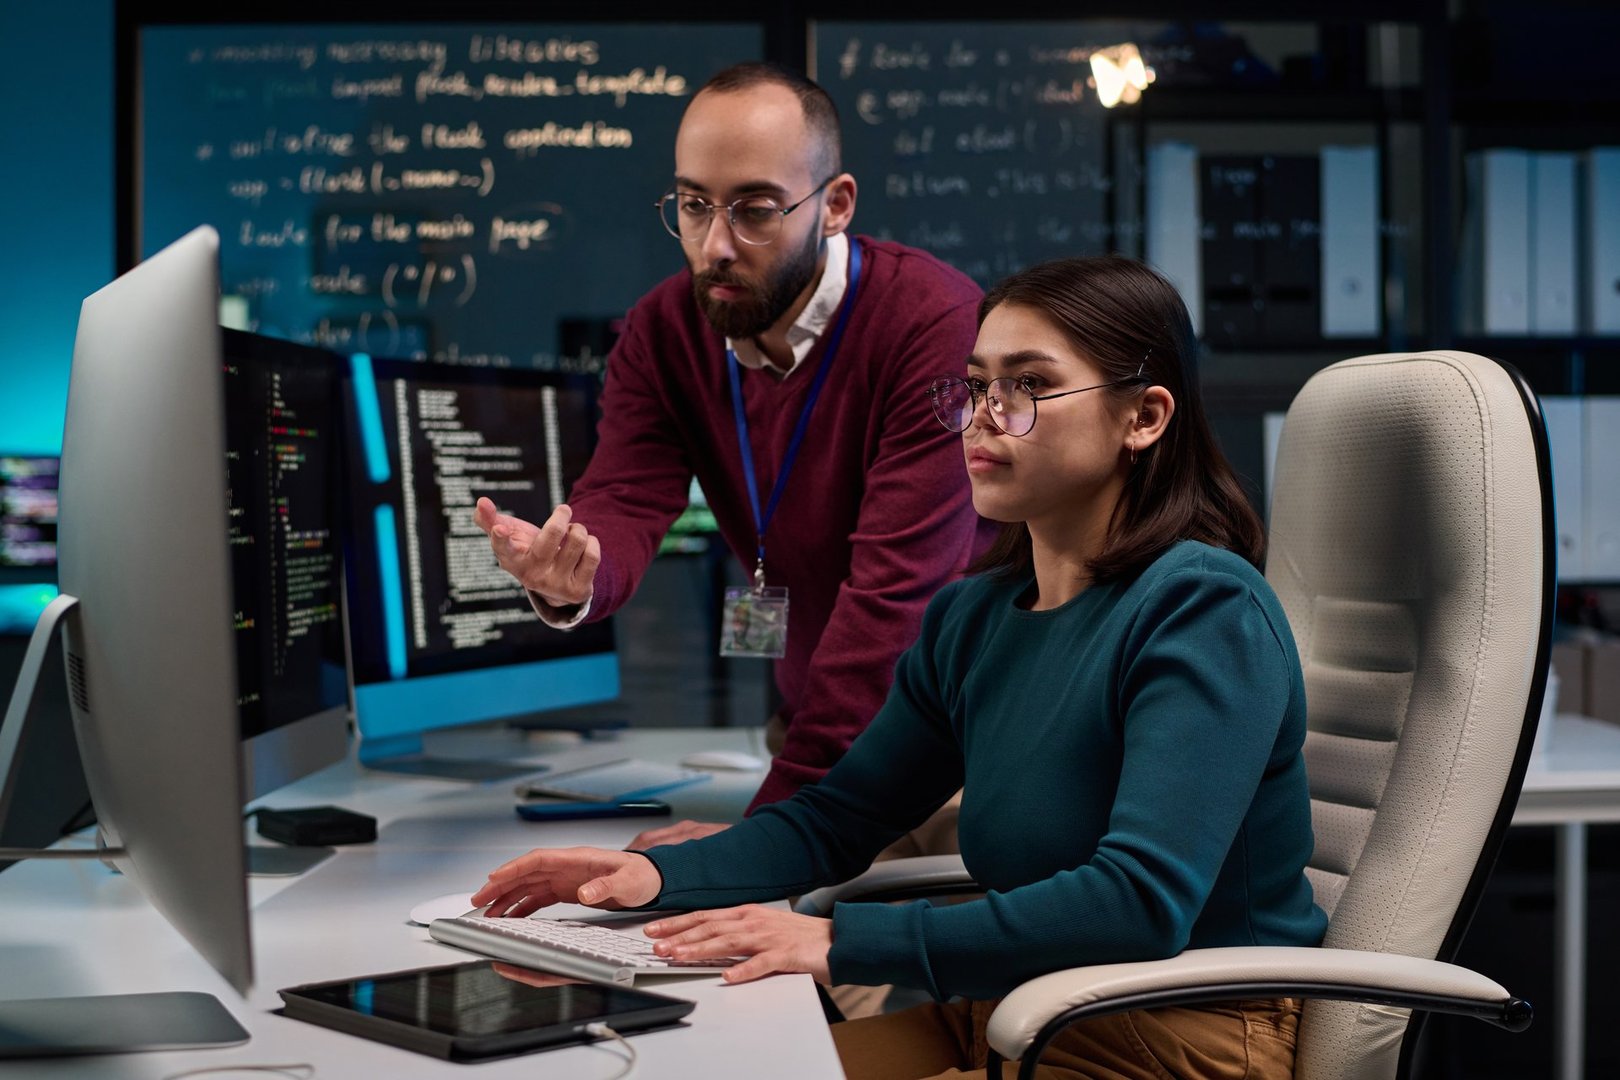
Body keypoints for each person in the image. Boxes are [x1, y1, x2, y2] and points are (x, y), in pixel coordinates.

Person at [470, 255, 1329, 1079]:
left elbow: (1139, 900)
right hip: (1013, 1011)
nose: (985, 414)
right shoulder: (975, 618)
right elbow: (839, 819)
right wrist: (654, 877)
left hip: (1179, 1040)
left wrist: (843, 943)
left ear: (1143, 418)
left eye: (1029, 385)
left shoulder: (1204, 611)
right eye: (977, 385)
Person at [473, 62, 984, 847]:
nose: (715, 246)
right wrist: (579, 572)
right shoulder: (663, 330)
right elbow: (628, 491)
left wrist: (757, 843)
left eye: (755, 210)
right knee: (726, 957)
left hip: (954, 746)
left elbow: (896, 607)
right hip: (818, 734)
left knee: (808, 953)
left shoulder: (933, 325)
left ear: (836, 205)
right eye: (692, 206)